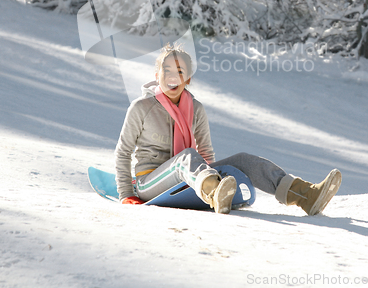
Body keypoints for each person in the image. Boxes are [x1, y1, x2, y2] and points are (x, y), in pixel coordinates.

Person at [115, 43, 342, 215]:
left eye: (180, 72)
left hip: (187, 179)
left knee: (243, 160)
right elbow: (123, 152)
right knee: (186, 157)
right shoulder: (141, 107)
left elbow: (204, 155)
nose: (173, 77)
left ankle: (304, 195)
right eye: (167, 70)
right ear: (157, 76)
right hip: (149, 182)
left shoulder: (195, 109)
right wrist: (127, 194)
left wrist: (215, 172)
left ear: (188, 79)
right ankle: (213, 192)